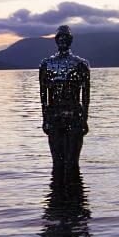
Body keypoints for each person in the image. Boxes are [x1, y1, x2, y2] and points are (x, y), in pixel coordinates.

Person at [38, 25, 90, 175]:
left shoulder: (81, 64)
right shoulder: (46, 64)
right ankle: (57, 195)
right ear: (55, 40)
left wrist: (84, 119)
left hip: (74, 116)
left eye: (66, 38)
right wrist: (45, 119)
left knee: (72, 163)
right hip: (54, 116)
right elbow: (43, 95)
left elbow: (86, 95)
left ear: (70, 40)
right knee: (57, 163)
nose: (62, 40)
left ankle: (75, 195)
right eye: (60, 37)